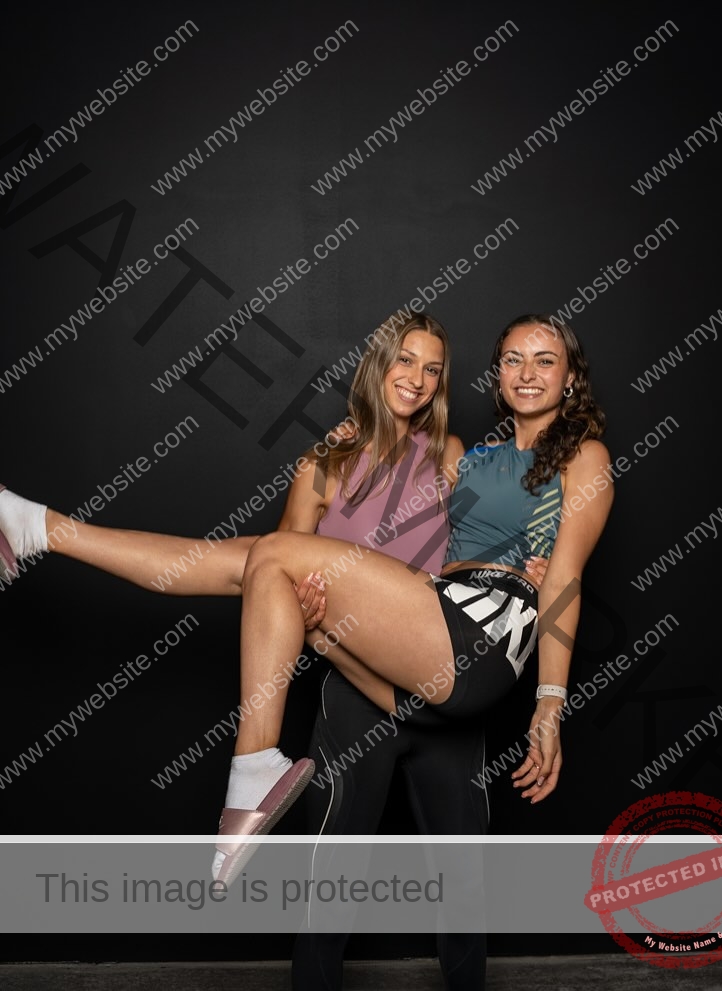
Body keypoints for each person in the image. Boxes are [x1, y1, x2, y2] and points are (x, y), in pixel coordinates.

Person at [0, 311, 547, 991]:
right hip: (355, 688)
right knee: (331, 882)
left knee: (463, 881)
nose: (418, 379)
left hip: (434, 669)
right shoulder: (323, 463)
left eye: (433, 369)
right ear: (378, 366)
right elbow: (276, 587)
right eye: (405, 361)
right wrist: (309, 610)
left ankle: (43, 528)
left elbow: (485, 549)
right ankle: (43, 529)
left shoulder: (450, 456)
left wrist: (533, 564)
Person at [215, 312, 612, 884]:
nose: (527, 373)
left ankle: (253, 769)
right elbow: (399, 495)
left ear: (570, 377)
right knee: (275, 583)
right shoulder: (468, 457)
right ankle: (56, 532)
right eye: (513, 360)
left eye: (545, 361)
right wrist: (354, 437)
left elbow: (565, 580)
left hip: (483, 629)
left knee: (273, 555)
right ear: (496, 375)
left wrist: (549, 706)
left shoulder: (585, 456)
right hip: (431, 621)